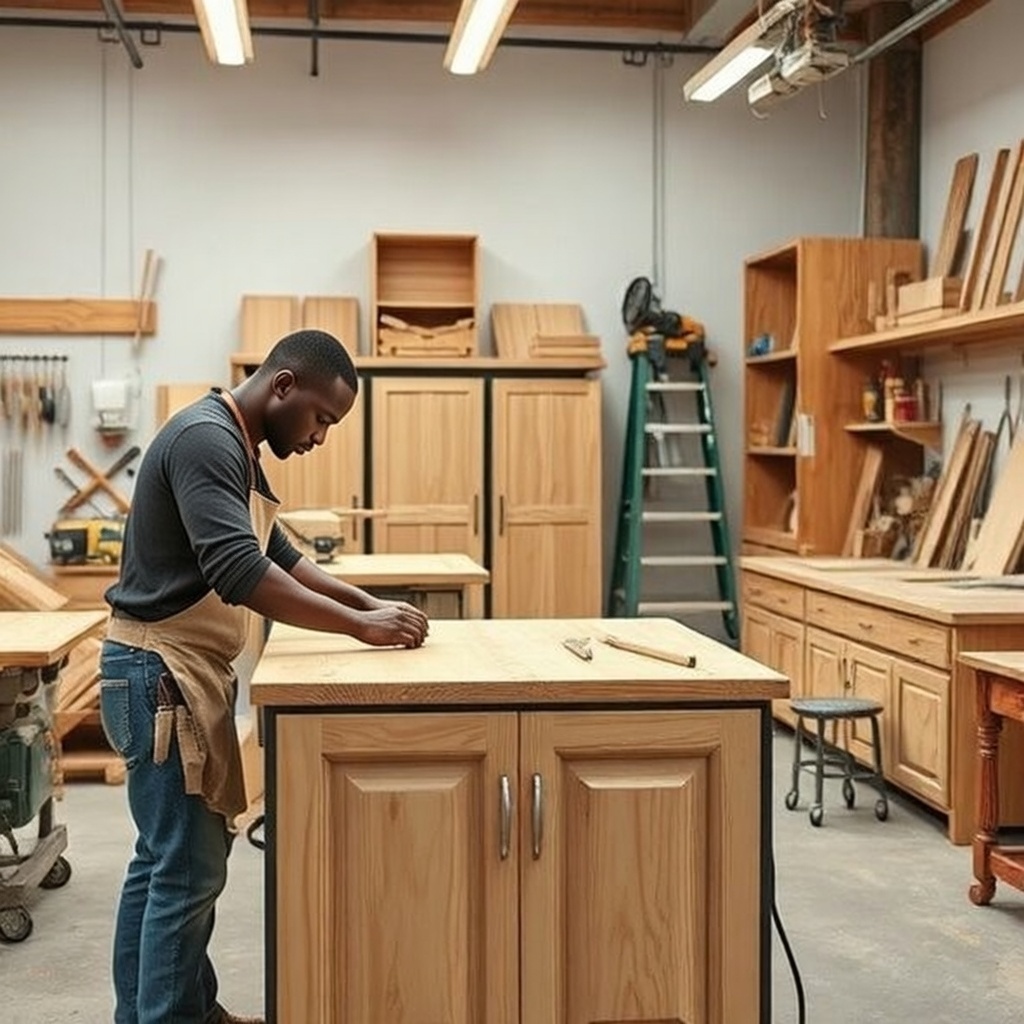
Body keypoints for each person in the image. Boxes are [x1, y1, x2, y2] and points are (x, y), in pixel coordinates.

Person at [99, 329, 428, 1024]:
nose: (319, 438)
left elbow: (278, 552)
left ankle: (175, 1010)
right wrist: (359, 628)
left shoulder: (235, 445)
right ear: (283, 386)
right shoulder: (206, 439)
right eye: (321, 419)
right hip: (159, 671)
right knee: (186, 869)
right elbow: (240, 572)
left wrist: (368, 604)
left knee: (165, 863)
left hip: (172, 668)